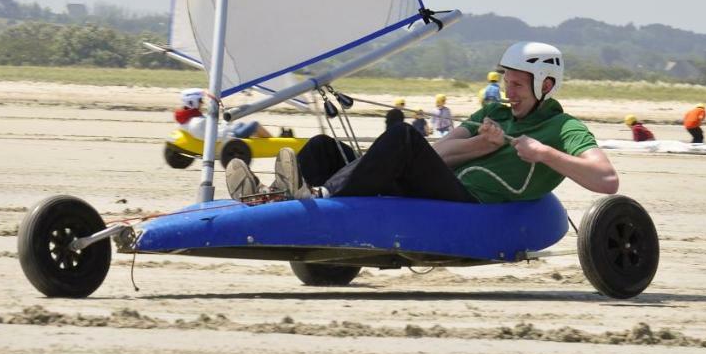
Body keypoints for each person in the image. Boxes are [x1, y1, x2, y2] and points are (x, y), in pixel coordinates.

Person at [226, 42, 618, 203]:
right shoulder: (493, 113)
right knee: (325, 146)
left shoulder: (564, 129)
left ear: (546, 85)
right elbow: (436, 154)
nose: (508, 92)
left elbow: (606, 180)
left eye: (517, 84)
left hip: (467, 201)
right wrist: (480, 145)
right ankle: (275, 195)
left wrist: (544, 153)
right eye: (506, 82)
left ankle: (320, 196)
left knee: (401, 136)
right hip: (436, 181)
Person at [173, 88, 269, 140]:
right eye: (200, 100)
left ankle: (264, 140)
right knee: (254, 124)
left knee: (240, 124)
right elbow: (217, 136)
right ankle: (274, 142)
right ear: (192, 102)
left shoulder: (184, 119)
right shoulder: (198, 122)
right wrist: (227, 125)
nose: (202, 103)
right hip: (229, 137)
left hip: (225, 132)